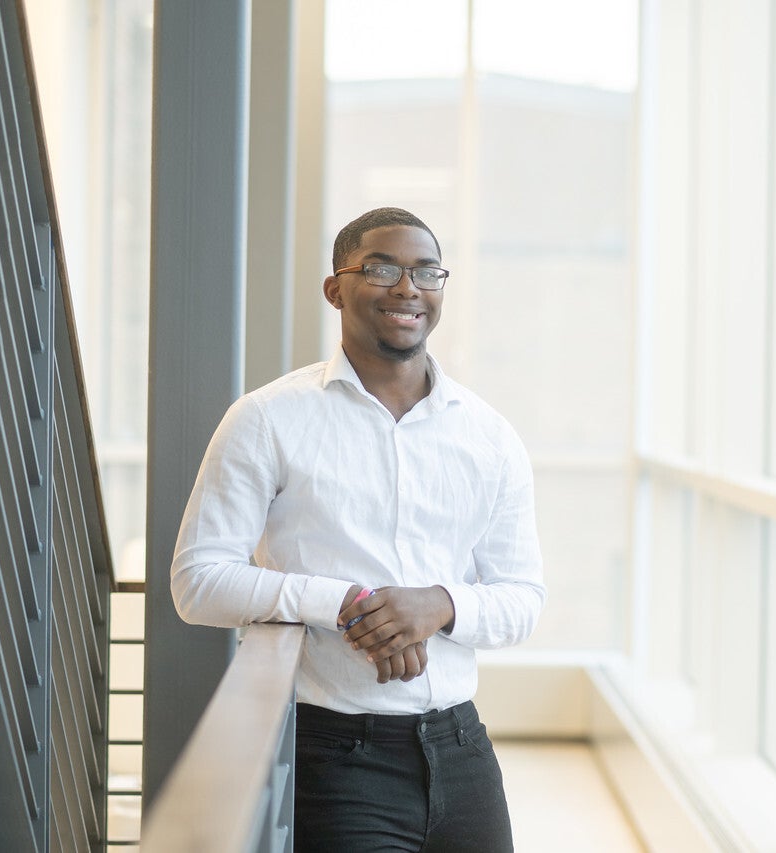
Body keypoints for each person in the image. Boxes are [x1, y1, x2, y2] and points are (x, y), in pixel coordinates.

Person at [170, 207, 546, 852]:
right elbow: (197, 583)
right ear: (335, 288)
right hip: (335, 755)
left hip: (462, 749)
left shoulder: (489, 435)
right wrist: (347, 603)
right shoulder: (266, 419)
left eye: (427, 272)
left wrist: (441, 605)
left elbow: (524, 598)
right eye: (382, 269)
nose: (408, 289)